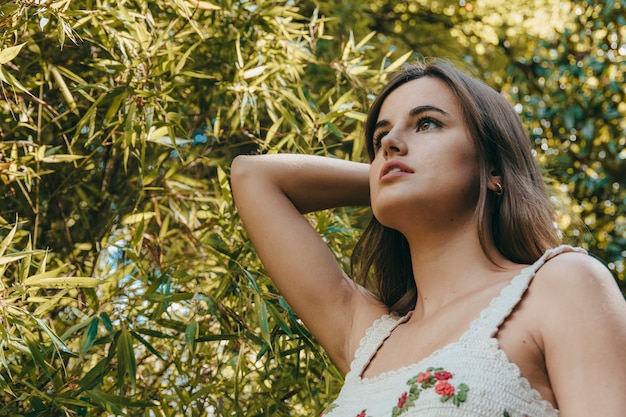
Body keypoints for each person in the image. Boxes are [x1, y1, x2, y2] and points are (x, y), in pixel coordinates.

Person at [230, 60, 626, 417]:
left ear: (494, 166)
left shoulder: (563, 284)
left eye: (426, 124)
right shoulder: (366, 338)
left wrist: (406, 174)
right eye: (380, 139)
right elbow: (252, 175)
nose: (388, 144)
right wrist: (385, 177)